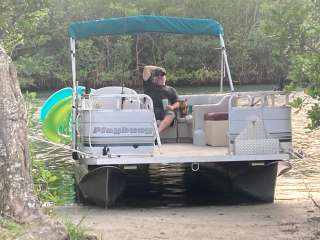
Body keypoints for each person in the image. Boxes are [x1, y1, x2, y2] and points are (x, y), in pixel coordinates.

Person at [143, 65, 180, 134]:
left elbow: (178, 103)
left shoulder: (171, 89)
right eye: (157, 75)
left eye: (162, 75)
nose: (160, 77)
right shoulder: (149, 85)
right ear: (153, 77)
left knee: (171, 114)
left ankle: (156, 133)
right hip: (152, 111)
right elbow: (146, 68)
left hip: (165, 111)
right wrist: (161, 68)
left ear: (165, 77)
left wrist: (172, 107)